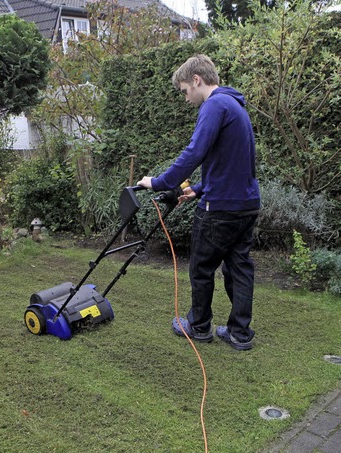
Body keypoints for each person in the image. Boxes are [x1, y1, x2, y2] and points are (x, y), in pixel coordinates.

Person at [137, 54, 260, 351]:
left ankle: (199, 326)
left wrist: (158, 182)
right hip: (247, 205)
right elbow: (234, 163)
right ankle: (239, 333)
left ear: (196, 80)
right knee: (239, 268)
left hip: (220, 210)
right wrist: (201, 188)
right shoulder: (235, 106)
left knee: (202, 268)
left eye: (184, 91)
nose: (185, 98)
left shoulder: (214, 105)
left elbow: (195, 152)